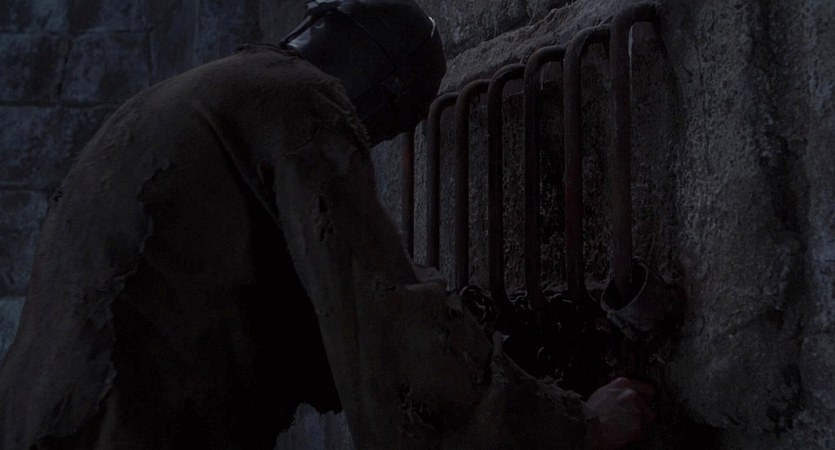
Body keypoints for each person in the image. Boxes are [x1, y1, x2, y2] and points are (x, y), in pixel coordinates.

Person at [0, 0, 654, 448]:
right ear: (384, 93)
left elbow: (309, 326)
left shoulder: (184, 98)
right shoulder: (296, 99)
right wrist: (573, 426)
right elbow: (381, 318)